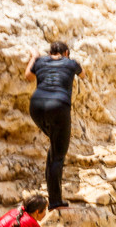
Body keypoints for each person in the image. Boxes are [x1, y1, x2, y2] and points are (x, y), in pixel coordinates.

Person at [24, 41, 84, 211]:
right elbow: (83, 75)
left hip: (36, 107)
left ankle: (54, 196)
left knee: (54, 148)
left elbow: (28, 75)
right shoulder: (71, 63)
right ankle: (55, 201)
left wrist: (34, 57)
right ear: (66, 53)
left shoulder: (41, 61)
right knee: (58, 155)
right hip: (58, 106)